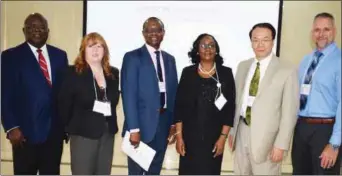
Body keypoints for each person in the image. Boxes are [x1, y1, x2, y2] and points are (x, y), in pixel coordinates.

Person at [1, 13, 68, 175]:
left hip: (54, 134)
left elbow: (64, 93)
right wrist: (11, 127)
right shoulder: (11, 56)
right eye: (32, 27)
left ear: (47, 31)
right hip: (24, 135)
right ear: (24, 30)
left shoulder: (60, 55)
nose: (37, 30)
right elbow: (4, 94)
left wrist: (66, 126)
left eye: (41, 27)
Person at [228, 22, 299, 175]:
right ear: (251, 42)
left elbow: (290, 112)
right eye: (255, 40)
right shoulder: (243, 66)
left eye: (265, 39)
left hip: (268, 139)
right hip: (242, 132)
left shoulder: (287, 69)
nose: (260, 44)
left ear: (273, 41)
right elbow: (237, 102)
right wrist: (233, 131)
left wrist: (281, 144)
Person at [120, 17, 178, 175]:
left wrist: (173, 124)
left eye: (157, 30)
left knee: (154, 171)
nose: (154, 33)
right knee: (137, 172)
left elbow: (173, 94)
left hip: (164, 124)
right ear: (143, 33)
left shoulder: (170, 60)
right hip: (141, 126)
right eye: (149, 30)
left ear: (163, 33)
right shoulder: (132, 58)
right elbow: (128, 95)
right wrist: (133, 129)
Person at [57, 32, 120, 175]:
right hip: (82, 134)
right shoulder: (73, 72)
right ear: (83, 50)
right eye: (91, 46)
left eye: (99, 46)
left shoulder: (113, 74)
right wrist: (68, 128)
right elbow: (64, 104)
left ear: (105, 50)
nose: (96, 50)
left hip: (107, 133)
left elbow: (113, 101)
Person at [173, 33, 236, 175]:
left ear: (216, 50)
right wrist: (179, 136)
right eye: (203, 45)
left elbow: (229, 109)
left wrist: (222, 138)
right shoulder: (188, 73)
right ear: (197, 50)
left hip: (214, 138)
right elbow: (180, 106)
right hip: (189, 138)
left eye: (211, 45)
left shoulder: (226, 73)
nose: (207, 49)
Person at [291, 12, 341, 175]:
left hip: (325, 129)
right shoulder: (306, 60)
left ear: (334, 31)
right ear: (312, 33)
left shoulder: (339, 60)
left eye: (326, 29)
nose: (321, 34)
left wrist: (334, 144)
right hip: (301, 128)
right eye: (317, 30)